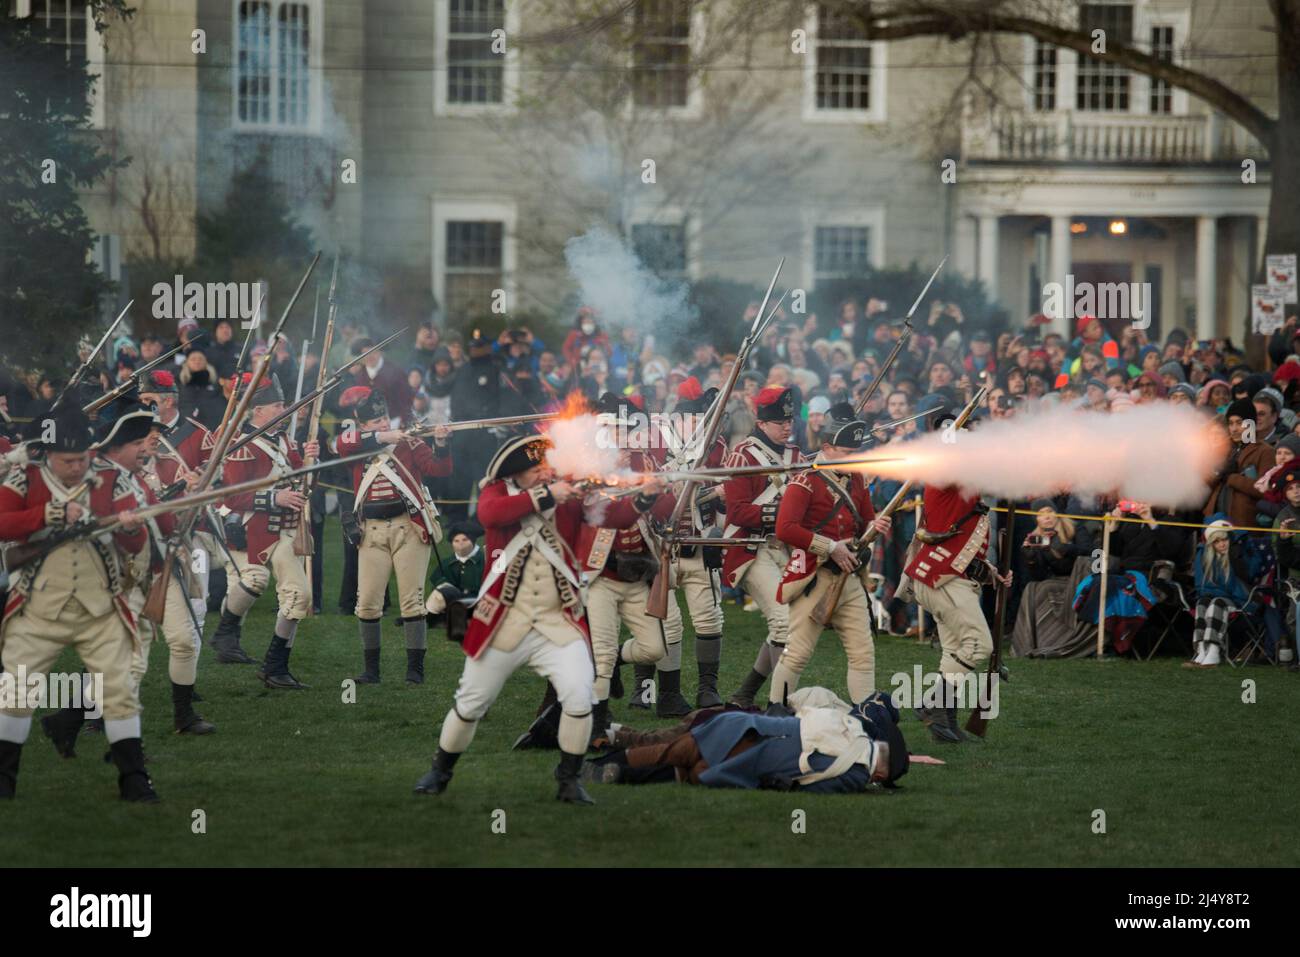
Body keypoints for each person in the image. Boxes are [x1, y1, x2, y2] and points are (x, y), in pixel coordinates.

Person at [413, 434, 664, 804]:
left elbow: (617, 516)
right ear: (518, 474)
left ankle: (569, 779)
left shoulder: (570, 495)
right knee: (470, 704)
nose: (546, 472)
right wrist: (546, 496)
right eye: (537, 469)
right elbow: (490, 515)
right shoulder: (497, 491)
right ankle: (440, 770)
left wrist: (646, 493)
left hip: (556, 621)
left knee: (580, 697)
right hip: (502, 622)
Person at [0, 407, 156, 801]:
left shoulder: (114, 479)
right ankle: (3, 781)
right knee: (16, 692)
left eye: (82, 459)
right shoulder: (25, 476)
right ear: (48, 455)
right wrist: (51, 513)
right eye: (68, 461)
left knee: (119, 690)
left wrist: (133, 529)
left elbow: (134, 544)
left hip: (100, 608)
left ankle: (135, 781)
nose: (76, 467)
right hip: (38, 606)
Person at [767, 404, 891, 710]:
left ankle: (866, 714)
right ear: (826, 448)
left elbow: (864, 521)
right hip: (813, 575)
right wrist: (829, 546)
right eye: (847, 453)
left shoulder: (857, 479)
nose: (854, 459)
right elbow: (785, 528)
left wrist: (874, 527)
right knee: (797, 653)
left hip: (848, 576)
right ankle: (776, 712)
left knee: (863, 651)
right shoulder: (804, 481)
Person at [904, 410, 1011, 744]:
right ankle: (932, 702)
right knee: (980, 644)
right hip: (942, 577)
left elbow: (963, 533)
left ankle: (943, 724)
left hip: (951, 575)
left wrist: (989, 570)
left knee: (953, 651)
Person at [333, 386, 453, 685]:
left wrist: (440, 443)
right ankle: (371, 671)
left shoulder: (408, 443)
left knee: (411, 600)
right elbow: (342, 445)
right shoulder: (357, 442)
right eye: (375, 422)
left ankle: (415, 670)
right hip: (371, 532)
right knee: (368, 603)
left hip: (407, 528)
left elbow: (439, 468)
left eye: (385, 418)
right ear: (363, 425)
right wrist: (384, 437)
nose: (383, 424)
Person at [208, 374, 320, 688]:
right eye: (277, 405)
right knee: (277, 587)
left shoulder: (284, 440)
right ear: (257, 411)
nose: (284, 410)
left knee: (298, 596)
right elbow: (231, 496)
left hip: (285, 530)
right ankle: (233, 637)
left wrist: (311, 459)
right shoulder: (241, 445)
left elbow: (304, 484)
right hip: (258, 531)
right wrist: (274, 497)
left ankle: (275, 667)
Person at [582, 688, 909, 793]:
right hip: (757, 759)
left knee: (670, 752)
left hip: (747, 723)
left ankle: (599, 766)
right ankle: (612, 767)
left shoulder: (850, 722)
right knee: (687, 769)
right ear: (880, 774)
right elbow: (816, 786)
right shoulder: (855, 774)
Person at [721, 387, 805, 707]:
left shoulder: (796, 456)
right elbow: (737, 512)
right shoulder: (742, 456)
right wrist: (780, 514)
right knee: (784, 621)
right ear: (762, 422)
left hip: (784, 548)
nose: (787, 426)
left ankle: (744, 694)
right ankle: (779, 704)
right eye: (779, 421)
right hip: (750, 547)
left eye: (789, 421)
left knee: (790, 624)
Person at [649, 377, 729, 709]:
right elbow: (652, 498)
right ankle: (666, 693)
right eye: (693, 418)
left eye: (702, 419)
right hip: (662, 547)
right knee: (666, 621)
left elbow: (725, 497)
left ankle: (706, 689)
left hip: (699, 544)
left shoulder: (716, 446)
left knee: (709, 618)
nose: (698, 425)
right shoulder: (655, 445)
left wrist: (721, 494)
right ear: (678, 419)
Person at [1186, 519, 1251, 669]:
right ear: (1211, 545)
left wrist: (1235, 536)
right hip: (1216, 599)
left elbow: (1246, 576)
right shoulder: (1207, 558)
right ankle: (1202, 650)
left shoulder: (1238, 554)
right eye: (1216, 541)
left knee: (1217, 602)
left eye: (1225, 539)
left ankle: (1214, 651)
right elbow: (1202, 586)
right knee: (1202, 602)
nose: (1222, 544)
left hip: (1239, 600)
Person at [426, 522, 485, 642]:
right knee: (441, 593)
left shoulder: (485, 560)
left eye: (465, 539)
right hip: (452, 603)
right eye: (456, 541)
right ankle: (427, 620)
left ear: (473, 541)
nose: (460, 543)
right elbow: (438, 584)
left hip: (478, 603)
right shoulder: (447, 563)